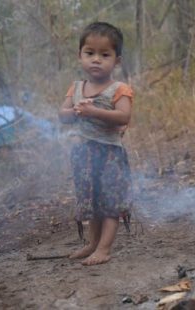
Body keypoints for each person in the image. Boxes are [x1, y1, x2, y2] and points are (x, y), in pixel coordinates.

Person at [58, 22, 133, 266]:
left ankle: (104, 248)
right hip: (83, 153)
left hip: (109, 153)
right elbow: (62, 115)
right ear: (80, 56)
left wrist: (93, 112)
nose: (96, 60)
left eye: (105, 55)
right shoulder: (77, 87)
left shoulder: (119, 89)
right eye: (90, 53)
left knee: (110, 201)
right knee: (91, 200)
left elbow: (124, 117)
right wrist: (75, 112)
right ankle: (91, 243)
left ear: (117, 60)